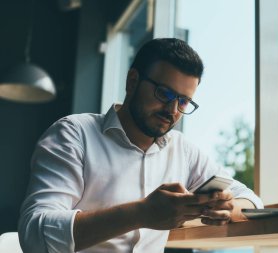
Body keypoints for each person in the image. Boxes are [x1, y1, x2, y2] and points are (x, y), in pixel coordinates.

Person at [18, 38, 263, 253]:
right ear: (132, 81)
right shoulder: (73, 134)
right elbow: (35, 236)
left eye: (184, 101)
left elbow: (251, 200)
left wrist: (227, 207)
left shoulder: (183, 151)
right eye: (164, 94)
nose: (172, 110)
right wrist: (141, 213)